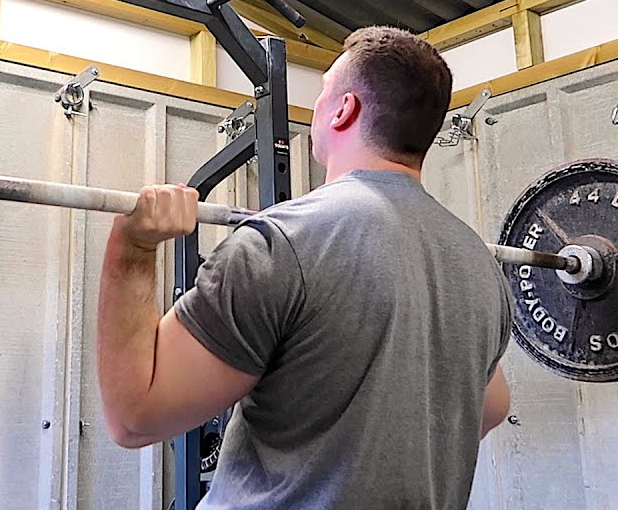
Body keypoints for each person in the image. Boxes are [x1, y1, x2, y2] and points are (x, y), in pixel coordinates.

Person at [96, 26, 512, 509]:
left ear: (343, 110)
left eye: (323, 93)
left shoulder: (281, 244)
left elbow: (134, 417)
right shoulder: (479, 266)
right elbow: (493, 405)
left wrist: (133, 248)